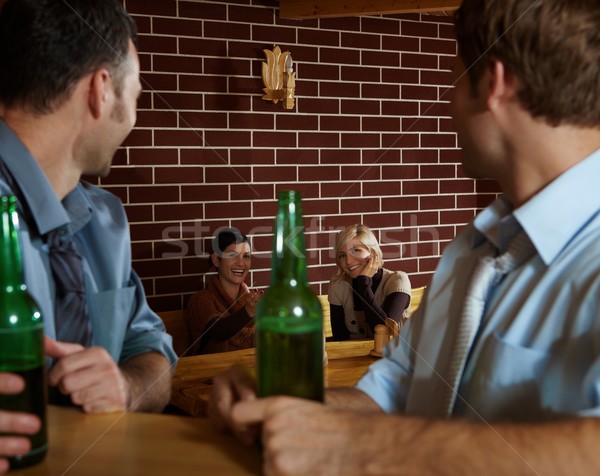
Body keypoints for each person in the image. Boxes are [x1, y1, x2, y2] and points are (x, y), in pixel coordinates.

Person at [208, 0, 600, 474]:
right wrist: (287, 414)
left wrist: (372, 442)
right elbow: (396, 385)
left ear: (494, 85)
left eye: (455, 80)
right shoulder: (471, 250)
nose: (451, 106)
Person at [0, 0, 176, 472]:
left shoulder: (107, 222)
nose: (134, 117)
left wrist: (124, 386)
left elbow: (153, 352)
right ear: (102, 90)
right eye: (136, 95)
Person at [186, 228, 262, 354]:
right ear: (216, 260)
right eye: (233, 255)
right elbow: (218, 332)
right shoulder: (200, 300)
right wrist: (249, 311)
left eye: (246, 256)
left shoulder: (249, 300)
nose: (241, 263)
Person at [328, 224, 411, 340]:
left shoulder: (397, 280)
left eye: (356, 250)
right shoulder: (338, 286)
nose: (348, 261)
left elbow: (385, 334)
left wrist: (363, 283)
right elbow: (340, 339)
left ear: (372, 253)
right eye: (342, 255)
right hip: (354, 356)